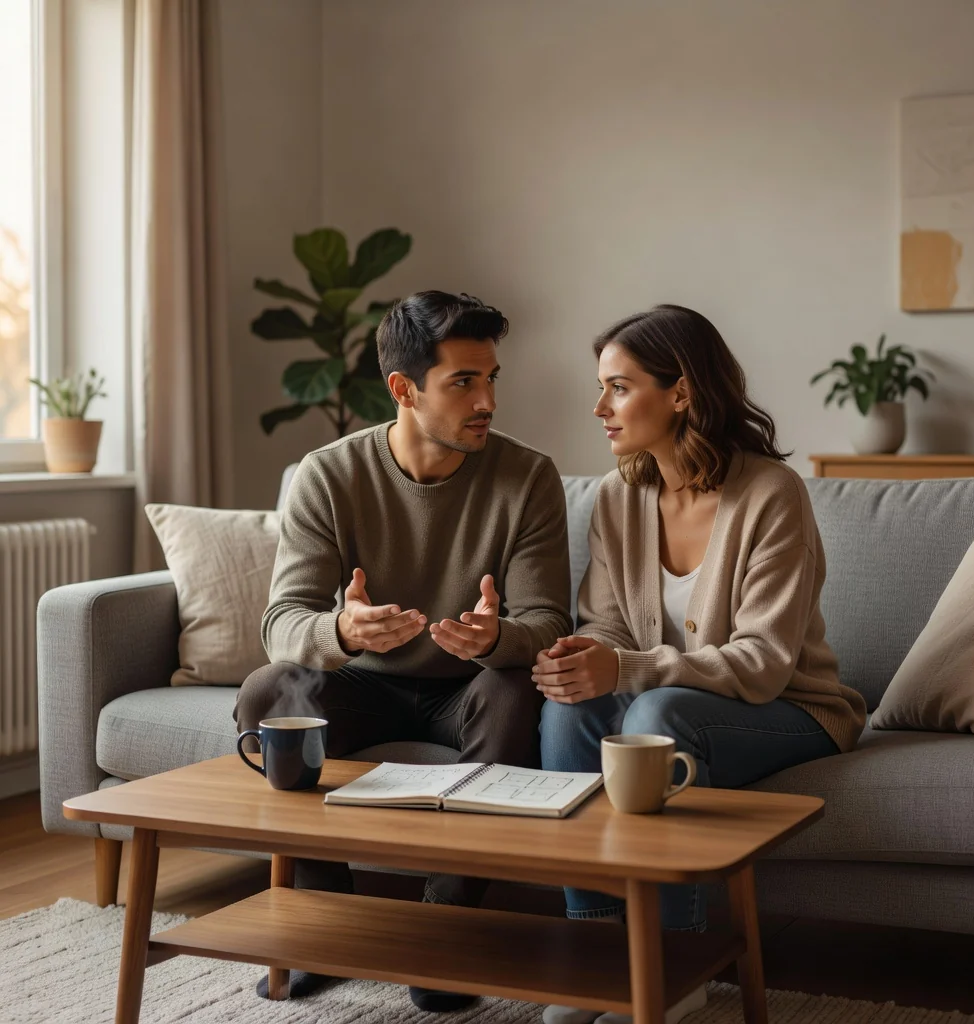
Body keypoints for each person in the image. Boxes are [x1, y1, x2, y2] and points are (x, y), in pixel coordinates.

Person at [235, 290, 572, 1012]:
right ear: (403, 389)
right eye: (464, 382)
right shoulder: (328, 474)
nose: (487, 400)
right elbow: (282, 621)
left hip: (471, 692)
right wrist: (343, 632)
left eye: (491, 379)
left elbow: (547, 620)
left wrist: (499, 637)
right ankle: (325, 921)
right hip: (367, 683)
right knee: (269, 692)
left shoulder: (529, 477)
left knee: (519, 689)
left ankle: (444, 926)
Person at [534, 305, 866, 1024]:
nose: (600, 408)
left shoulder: (772, 495)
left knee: (656, 716)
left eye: (619, 388)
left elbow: (764, 662)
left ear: (680, 393)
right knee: (568, 706)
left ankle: (672, 962)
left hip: (791, 710)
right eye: (602, 388)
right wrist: (584, 661)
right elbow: (609, 624)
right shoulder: (618, 496)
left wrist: (622, 670)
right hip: (673, 702)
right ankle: (595, 953)